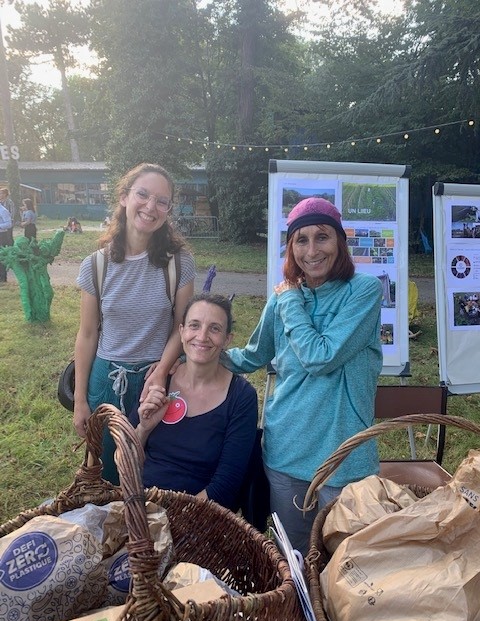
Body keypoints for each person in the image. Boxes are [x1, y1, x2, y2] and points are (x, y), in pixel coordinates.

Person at [224, 197, 383, 555]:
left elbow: (320, 356)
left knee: (349, 559)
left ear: (339, 242)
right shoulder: (281, 298)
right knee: (292, 556)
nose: (312, 250)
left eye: (322, 237)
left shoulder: (364, 291)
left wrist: (292, 300)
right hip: (286, 451)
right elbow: (254, 355)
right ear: (291, 247)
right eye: (301, 239)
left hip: (343, 455)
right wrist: (200, 353)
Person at [73, 162, 195, 484]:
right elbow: (87, 335)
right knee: (110, 473)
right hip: (106, 382)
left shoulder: (179, 263)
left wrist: (160, 372)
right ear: (125, 197)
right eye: (143, 194)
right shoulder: (96, 265)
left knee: (155, 471)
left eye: (161, 201)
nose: (150, 206)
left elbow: (181, 329)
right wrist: (81, 399)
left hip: (158, 380)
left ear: (168, 210)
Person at [132, 292, 258, 511]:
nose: (202, 336)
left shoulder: (241, 397)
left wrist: (172, 520)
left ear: (228, 339)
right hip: (141, 507)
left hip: (199, 520)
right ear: (181, 332)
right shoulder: (159, 381)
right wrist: (143, 428)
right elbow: (123, 462)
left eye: (215, 328)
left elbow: (225, 485)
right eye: (194, 325)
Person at [0, 202, 13, 283]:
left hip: (1, 235)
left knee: (1, 256)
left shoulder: (3, 210)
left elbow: (9, 224)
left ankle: (2, 277)